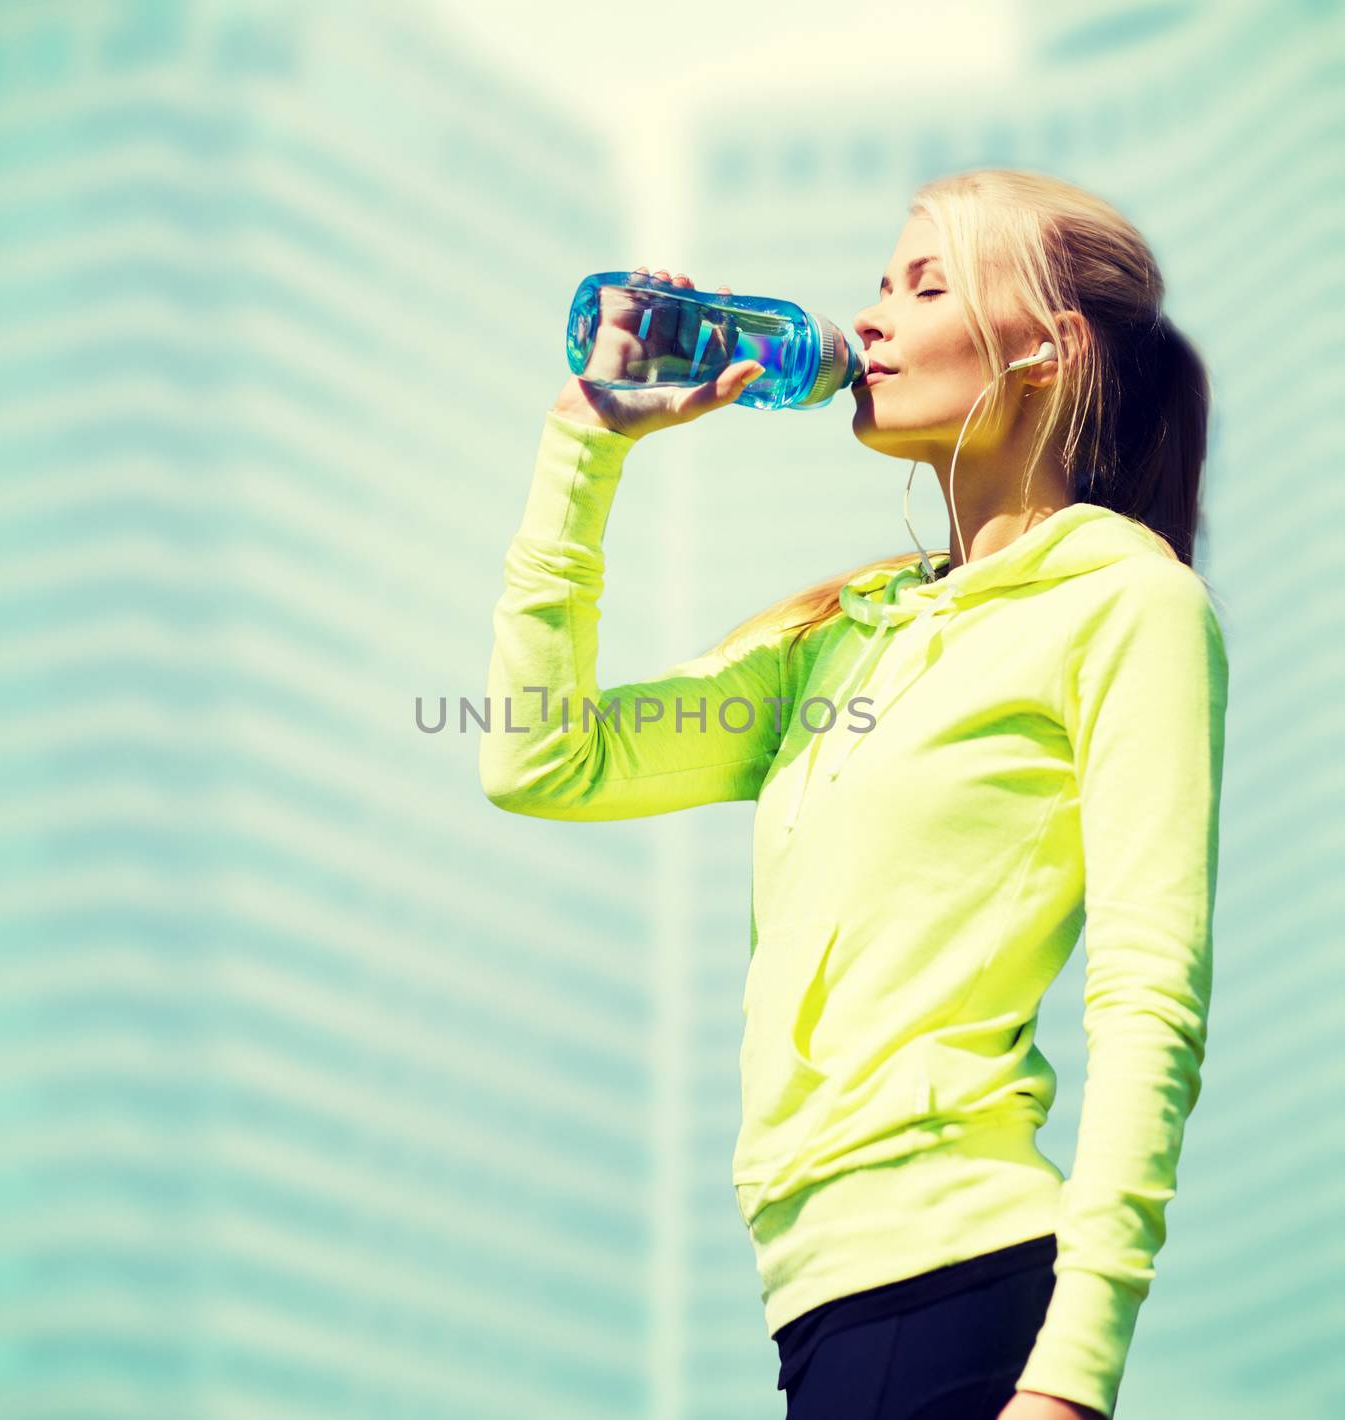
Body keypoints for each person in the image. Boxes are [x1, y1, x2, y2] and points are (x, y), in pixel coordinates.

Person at [479, 168, 1229, 1420]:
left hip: (961, 1286)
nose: (870, 320)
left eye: (925, 285)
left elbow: (1150, 998)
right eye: (878, 286)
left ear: (1048, 348)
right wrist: (584, 449)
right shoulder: (842, 636)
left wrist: (1071, 1378)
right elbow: (540, 758)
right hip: (821, 1306)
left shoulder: (1126, 605)